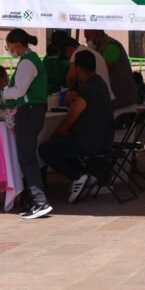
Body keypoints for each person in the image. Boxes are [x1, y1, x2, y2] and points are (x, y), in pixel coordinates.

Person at [38, 50, 114, 204]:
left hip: (90, 142)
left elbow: (70, 119)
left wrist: (55, 134)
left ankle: (78, 175)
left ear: (78, 69)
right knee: (61, 144)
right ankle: (85, 174)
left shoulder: (87, 89)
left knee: (45, 148)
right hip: (103, 139)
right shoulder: (100, 83)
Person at [0, 29, 51, 219]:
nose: (9, 49)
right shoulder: (30, 60)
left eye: (8, 46)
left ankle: (40, 201)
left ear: (16, 44)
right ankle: (35, 201)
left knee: (27, 157)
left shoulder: (27, 62)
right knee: (27, 156)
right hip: (32, 112)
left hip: (29, 112)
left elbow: (18, 91)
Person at [84, 29, 135, 109]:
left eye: (88, 37)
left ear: (97, 33)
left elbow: (103, 69)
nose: (86, 41)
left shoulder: (112, 46)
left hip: (121, 100)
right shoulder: (100, 47)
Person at [64, 37, 115, 101]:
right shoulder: (89, 51)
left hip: (99, 98)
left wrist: (69, 91)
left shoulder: (78, 52)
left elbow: (71, 77)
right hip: (106, 96)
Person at [44, 31, 73, 95]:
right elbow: (70, 76)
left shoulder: (47, 56)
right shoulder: (63, 56)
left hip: (46, 92)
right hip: (60, 93)